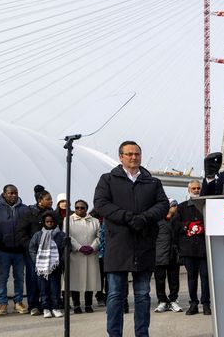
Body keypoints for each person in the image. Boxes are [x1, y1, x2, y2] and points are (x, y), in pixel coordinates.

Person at [93, 140, 170, 337]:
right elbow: (101, 204)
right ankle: (114, 334)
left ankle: (142, 334)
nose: (134, 157)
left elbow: (163, 205)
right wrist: (128, 217)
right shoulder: (108, 179)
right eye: (129, 154)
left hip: (144, 245)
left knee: (143, 295)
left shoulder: (152, 182)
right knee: (115, 295)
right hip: (118, 246)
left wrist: (144, 218)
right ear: (121, 157)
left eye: (137, 154)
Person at [0, 184, 29, 316]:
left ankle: (18, 302)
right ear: (4, 194)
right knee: (2, 277)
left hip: (20, 251)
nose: (13, 195)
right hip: (3, 251)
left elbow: (29, 228)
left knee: (19, 277)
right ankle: (2, 303)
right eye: (10, 193)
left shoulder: (24, 209)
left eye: (15, 193)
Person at [16, 185, 56, 316]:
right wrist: (31, 246)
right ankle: (33, 305)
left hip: (49, 252)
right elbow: (21, 232)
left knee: (48, 279)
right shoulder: (29, 213)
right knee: (33, 278)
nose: (51, 201)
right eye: (48, 199)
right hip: (33, 252)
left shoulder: (52, 213)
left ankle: (48, 304)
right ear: (40, 200)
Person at [174, 181, 210, 316]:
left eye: (198, 188)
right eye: (193, 188)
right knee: (191, 277)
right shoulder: (181, 207)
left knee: (205, 277)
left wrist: (203, 228)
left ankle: (206, 304)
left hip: (204, 249)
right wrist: (187, 226)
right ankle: (193, 304)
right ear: (189, 190)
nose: (196, 190)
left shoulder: (207, 205)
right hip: (188, 249)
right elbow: (175, 225)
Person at [29, 211, 66, 319]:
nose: (49, 223)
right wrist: (37, 261)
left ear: (55, 222)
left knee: (55, 288)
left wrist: (60, 261)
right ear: (44, 222)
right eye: (47, 222)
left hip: (55, 266)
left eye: (51, 221)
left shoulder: (61, 235)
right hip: (42, 267)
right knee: (43, 288)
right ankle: (46, 308)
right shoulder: (38, 235)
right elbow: (32, 248)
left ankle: (55, 307)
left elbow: (65, 249)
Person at [67, 199, 101, 314]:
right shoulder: (68, 220)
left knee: (90, 280)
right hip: (75, 254)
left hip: (91, 254)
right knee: (75, 280)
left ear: (86, 208)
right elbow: (68, 236)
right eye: (77, 208)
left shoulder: (95, 221)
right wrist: (79, 247)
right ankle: (76, 305)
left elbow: (99, 236)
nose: (79, 210)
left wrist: (93, 247)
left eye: (82, 208)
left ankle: (88, 304)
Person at [154, 199, 182, 313]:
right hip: (159, 254)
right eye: (173, 205)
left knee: (174, 279)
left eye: (176, 205)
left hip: (173, 254)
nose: (176, 207)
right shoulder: (157, 221)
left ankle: (173, 300)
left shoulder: (178, 220)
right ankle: (162, 301)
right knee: (160, 280)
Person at [89, 208, 108, 307]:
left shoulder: (108, 218)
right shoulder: (92, 220)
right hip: (96, 252)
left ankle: (108, 296)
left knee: (108, 276)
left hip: (107, 252)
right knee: (99, 276)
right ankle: (99, 296)